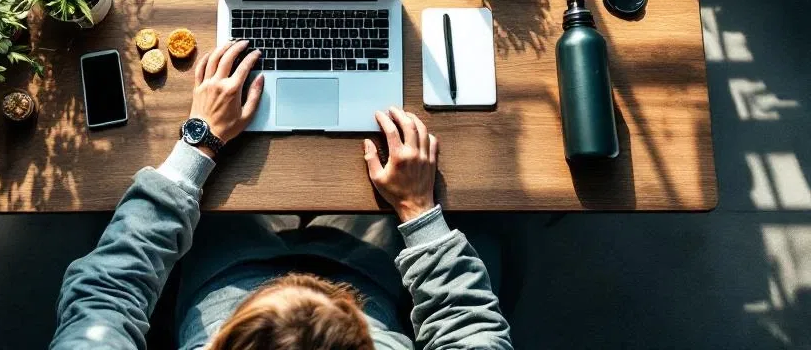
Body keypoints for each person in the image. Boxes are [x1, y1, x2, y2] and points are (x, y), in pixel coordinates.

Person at [50, 40, 513, 350]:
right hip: (368, 272)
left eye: (264, 300)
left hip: (221, 270)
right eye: (339, 307)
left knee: (220, 197)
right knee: (475, 233)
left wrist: (198, 144)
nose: (297, 278)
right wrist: (418, 211)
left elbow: (105, 294)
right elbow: (472, 331)